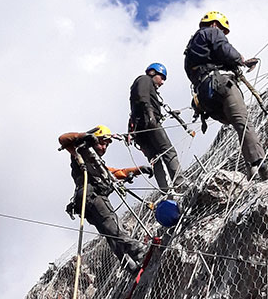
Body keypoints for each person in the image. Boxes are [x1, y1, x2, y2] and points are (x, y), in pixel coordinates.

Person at [183, 10, 268, 180]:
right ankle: (264, 169)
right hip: (221, 84)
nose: (221, 32)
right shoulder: (211, 32)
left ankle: (251, 169)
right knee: (243, 123)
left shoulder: (190, 50)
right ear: (215, 24)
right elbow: (224, 49)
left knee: (237, 124)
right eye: (221, 29)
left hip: (205, 96)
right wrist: (240, 60)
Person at [58, 126, 151, 273]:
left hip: (87, 203)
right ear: (94, 140)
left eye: (107, 145)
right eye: (102, 143)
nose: (104, 147)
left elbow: (115, 173)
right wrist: (84, 135)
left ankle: (130, 266)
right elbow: (63, 138)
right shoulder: (80, 152)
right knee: (113, 227)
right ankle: (139, 251)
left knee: (110, 234)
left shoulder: (97, 164)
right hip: (93, 197)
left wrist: (138, 170)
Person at [128, 62, 181, 193]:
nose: (162, 82)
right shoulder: (144, 79)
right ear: (152, 73)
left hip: (140, 130)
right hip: (149, 124)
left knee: (155, 159)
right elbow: (143, 97)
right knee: (168, 151)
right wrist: (151, 114)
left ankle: (165, 191)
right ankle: (180, 183)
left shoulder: (142, 85)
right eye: (161, 77)